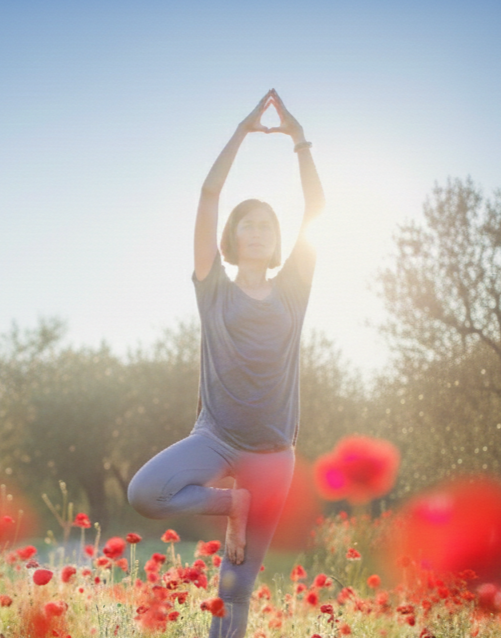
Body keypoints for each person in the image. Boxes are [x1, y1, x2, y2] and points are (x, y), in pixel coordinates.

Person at [126, 88, 325, 638]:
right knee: (145, 492)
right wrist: (241, 133)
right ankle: (230, 502)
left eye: (266, 224)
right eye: (247, 224)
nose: (256, 231)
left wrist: (299, 140)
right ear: (232, 238)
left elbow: (318, 211)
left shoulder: (293, 289)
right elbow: (209, 193)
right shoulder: (212, 287)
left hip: (273, 454)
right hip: (215, 437)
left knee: (234, 589)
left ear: (278, 238)